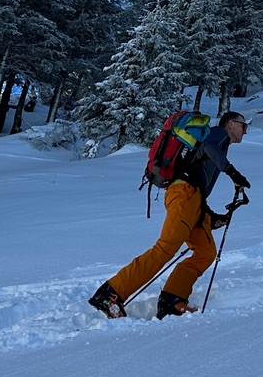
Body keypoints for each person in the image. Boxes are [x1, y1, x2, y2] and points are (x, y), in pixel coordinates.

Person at [88, 110, 251, 319]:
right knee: (165, 248)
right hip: (184, 193)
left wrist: (211, 217)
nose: (245, 131)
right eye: (243, 126)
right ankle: (110, 294)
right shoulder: (218, 134)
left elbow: (199, 180)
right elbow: (207, 149)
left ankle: (172, 300)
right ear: (230, 124)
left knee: (205, 252)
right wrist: (232, 172)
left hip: (193, 198)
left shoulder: (221, 145)